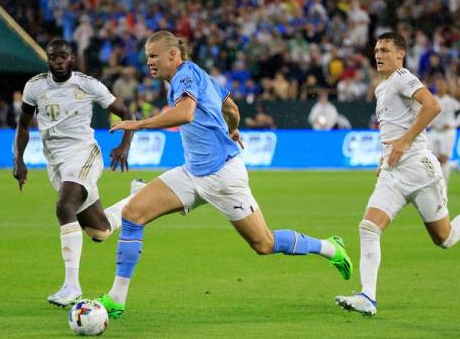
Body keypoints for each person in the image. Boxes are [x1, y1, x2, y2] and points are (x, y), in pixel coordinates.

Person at [94, 30, 353, 318]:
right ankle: (117, 299)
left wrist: (137, 124)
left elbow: (185, 114)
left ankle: (330, 248)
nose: (149, 62)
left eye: (154, 56)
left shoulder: (185, 76)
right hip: (192, 174)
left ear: (173, 55)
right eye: (147, 57)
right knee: (133, 214)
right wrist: (232, 127)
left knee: (264, 244)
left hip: (223, 177)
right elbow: (231, 107)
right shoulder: (197, 75)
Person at [335, 32, 460, 317]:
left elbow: (433, 106)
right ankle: (368, 296)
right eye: (377, 50)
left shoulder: (404, 77)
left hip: (420, 168)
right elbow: (391, 128)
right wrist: (385, 157)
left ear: (400, 54)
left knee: (446, 238)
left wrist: (404, 143)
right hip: (393, 172)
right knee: (368, 227)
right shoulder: (382, 88)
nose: (378, 54)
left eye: (385, 50)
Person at [13, 38, 144, 307]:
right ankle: (136, 200)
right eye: (53, 57)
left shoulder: (87, 84)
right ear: (47, 59)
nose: (58, 62)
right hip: (55, 162)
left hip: (84, 153)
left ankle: (71, 287)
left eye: (63, 57)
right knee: (100, 232)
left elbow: (125, 112)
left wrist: (124, 146)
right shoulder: (35, 86)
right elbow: (23, 126)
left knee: (64, 206)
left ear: (71, 57)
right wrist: (20, 160)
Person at [427, 76, 460, 184]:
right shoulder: (432, 99)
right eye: (438, 84)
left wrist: (452, 124)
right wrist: (429, 123)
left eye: (442, 85)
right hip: (435, 132)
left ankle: (443, 185)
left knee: (443, 159)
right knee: (429, 158)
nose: (440, 87)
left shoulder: (452, 102)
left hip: (448, 133)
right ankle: (454, 165)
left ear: (446, 87)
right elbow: (425, 114)